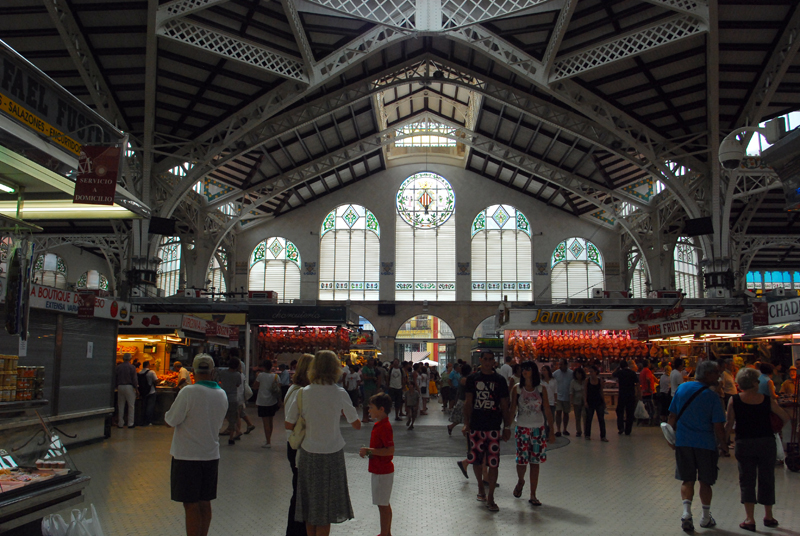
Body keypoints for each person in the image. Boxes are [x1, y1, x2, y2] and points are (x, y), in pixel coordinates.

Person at [285, 350, 361, 536]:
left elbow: (289, 423)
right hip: (333, 453)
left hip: (309, 453)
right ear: (335, 368)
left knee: (310, 508)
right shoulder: (340, 393)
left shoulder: (303, 393)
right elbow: (356, 424)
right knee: (326, 509)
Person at [164, 354, 228, 536]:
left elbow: (171, 419)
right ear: (212, 371)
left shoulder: (188, 392)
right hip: (210, 455)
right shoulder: (221, 394)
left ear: (193, 371)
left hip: (187, 456)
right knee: (204, 501)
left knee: (190, 504)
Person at [724, 367, 790, 531]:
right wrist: (776, 427)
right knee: (767, 478)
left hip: (744, 443)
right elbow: (785, 416)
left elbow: (729, 423)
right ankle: (768, 516)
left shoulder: (734, 400)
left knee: (746, 480)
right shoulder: (767, 400)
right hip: (766, 442)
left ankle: (750, 518)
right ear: (754, 383)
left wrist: (722, 442)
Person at [667, 360, 728, 533]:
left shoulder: (683, 389)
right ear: (707, 374)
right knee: (705, 481)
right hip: (705, 444)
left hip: (684, 442)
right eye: (716, 372)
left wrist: (671, 439)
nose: (718, 375)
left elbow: (672, 416)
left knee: (687, 479)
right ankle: (705, 517)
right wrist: (724, 446)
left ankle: (686, 514)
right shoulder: (712, 397)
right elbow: (718, 426)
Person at [462, 351, 512, 512]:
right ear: (481, 360)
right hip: (477, 425)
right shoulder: (473, 379)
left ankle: (491, 495)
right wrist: (466, 423)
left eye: (491, 359)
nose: (488, 362)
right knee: (476, 459)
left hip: (493, 426)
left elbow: (505, 404)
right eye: (485, 359)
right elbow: (468, 402)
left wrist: (507, 426)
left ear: (494, 362)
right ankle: (480, 487)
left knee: (493, 462)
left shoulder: (500, 380)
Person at [509, 360, 554, 506]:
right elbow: (512, 409)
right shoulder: (517, 389)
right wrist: (506, 428)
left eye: (528, 369)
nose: (524, 371)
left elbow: (547, 409)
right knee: (521, 460)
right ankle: (521, 480)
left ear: (534, 371)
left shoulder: (541, 389)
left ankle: (533, 494)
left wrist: (551, 429)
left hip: (538, 428)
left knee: (535, 462)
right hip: (522, 427)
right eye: (523, 369)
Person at [284, 354, 313, 536]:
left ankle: (297, 530)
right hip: (297, 446)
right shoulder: (299, 392)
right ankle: (296, 531)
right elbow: (292, 421)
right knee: (300, 493)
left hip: (293, 444)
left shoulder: (294, 389)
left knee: (300, 491)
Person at [359, 393, 395, 536]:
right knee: (383, 503)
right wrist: (368, 453)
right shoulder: (379, 425)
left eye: (371, 408)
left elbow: (389, 450)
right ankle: (386, 532)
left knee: (383, 505)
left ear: (381, 409)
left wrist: (369, 451)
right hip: (379, 470)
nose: (369, 411)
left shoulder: (384, 427)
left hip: (383, 471)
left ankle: (384, 533)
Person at [253, 361, 281, 448]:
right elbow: (279, 389)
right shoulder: (276, 376)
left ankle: (268, 441)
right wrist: (279, 401)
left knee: (265, 422)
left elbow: (255, 386)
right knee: (270, 421)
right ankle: (269, 439)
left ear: (264, 367)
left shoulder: (260, 376)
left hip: (262, 401)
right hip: (272, 401)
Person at [217, 357, 242, 445]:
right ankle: (231, 437)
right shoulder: (238, 375)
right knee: (233, 418)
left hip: (223, 396)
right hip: (233, 398)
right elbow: (238, 384)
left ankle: (236, 431)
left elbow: (219, 380)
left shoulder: (223, 373)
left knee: (223, 415)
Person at [612, 359, 640, 435]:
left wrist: (618, 368)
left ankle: (621, 427)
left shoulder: (620, 372)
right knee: (630, 413)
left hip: (622, 394)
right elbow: (637, 384)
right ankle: (628, 430)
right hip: (631, 394)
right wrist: (638, 393)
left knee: (620, 411)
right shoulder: (632, 373)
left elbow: (613, 374)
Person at [583, 366, 608, 442]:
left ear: (596, 372)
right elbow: (585, 392)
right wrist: (585, 401)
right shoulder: (587, 381)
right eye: (589, 372)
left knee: (601, 419)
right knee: (589, 418)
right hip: (590, 401)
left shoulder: (600, 381)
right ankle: (587, 434)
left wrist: (604, 401)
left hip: (598, 401)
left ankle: (603, 436)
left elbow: (601, 391)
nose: (590, 373)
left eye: (592, 372)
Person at [116, 353, 139, 429]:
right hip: (129, 386)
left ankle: (120, 423)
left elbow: (115, 377)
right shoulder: (132, 367)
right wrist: (136, 388)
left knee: (121, 405)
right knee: (131, 405)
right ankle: (130, 423)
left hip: (120, 386)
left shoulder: (118, 367)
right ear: (130, 359)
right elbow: (134, 379)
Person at [448, 364, 471, 437]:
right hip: (464, 400)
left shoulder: (463, 378)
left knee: (462, 417)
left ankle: (451, 427)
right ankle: (467, 431)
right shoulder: (465, 379)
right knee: (466, 417)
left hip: (462, 399)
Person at [552, 359, 573, 437]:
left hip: (567, 396)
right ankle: (558, 429)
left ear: (566, 365)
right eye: (559, 364)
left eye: (561, 364)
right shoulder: (555, 373)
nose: (560, 366)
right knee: (558, 412)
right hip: (558, 396)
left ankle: (565, 428)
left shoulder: (571, 373)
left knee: (566, 413)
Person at [138, 360, 158, 426]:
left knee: (143, 406)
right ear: (148, 365)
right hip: (151, 391)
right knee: (150, 406)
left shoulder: (140, 372)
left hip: (143, 392)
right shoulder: (151, 372)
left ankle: (142, 420)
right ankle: (148, 421)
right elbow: (156, 380)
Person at [540, 365, 557, 438]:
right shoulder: (541, 381)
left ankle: (550, 432)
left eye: (545, 370)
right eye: (542, 370)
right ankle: (545, 434)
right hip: (544, 402)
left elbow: (555, 391)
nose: (543, 371)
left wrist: (555, 401)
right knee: (543, 419)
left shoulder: (553, 381)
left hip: (552, 402)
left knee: (551, 419)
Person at [570, 367, 586, 437]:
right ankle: (578, 430)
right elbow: (571, 392)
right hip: (576, 401)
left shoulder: (585, 381)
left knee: (585, 416)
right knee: (577, 417)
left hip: (585, 401)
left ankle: (586, 430)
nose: (578, 376)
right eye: (577, 374)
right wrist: (571, 401)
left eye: (579, 374)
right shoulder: (573, 382)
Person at [361, 358, 378, 423]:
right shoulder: (365, 368)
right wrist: (372, 378)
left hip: (373, 386)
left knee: (371, 402)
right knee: (366, 402)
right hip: (367, 387)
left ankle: (368, 416)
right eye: (371, 360)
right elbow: (364, 377)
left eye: (373, 361)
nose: (372, 362)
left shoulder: (373, 368)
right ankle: (364, 417)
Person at [639, 359, 656, 425]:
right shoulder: (647, 371)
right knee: (651, 407)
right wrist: (649, 388)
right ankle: (651, 420)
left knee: (646, 406)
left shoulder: (642, 371)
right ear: (648, 364)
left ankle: (645, 420)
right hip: (648, 392)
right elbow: (648, 379)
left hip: (644, 391)